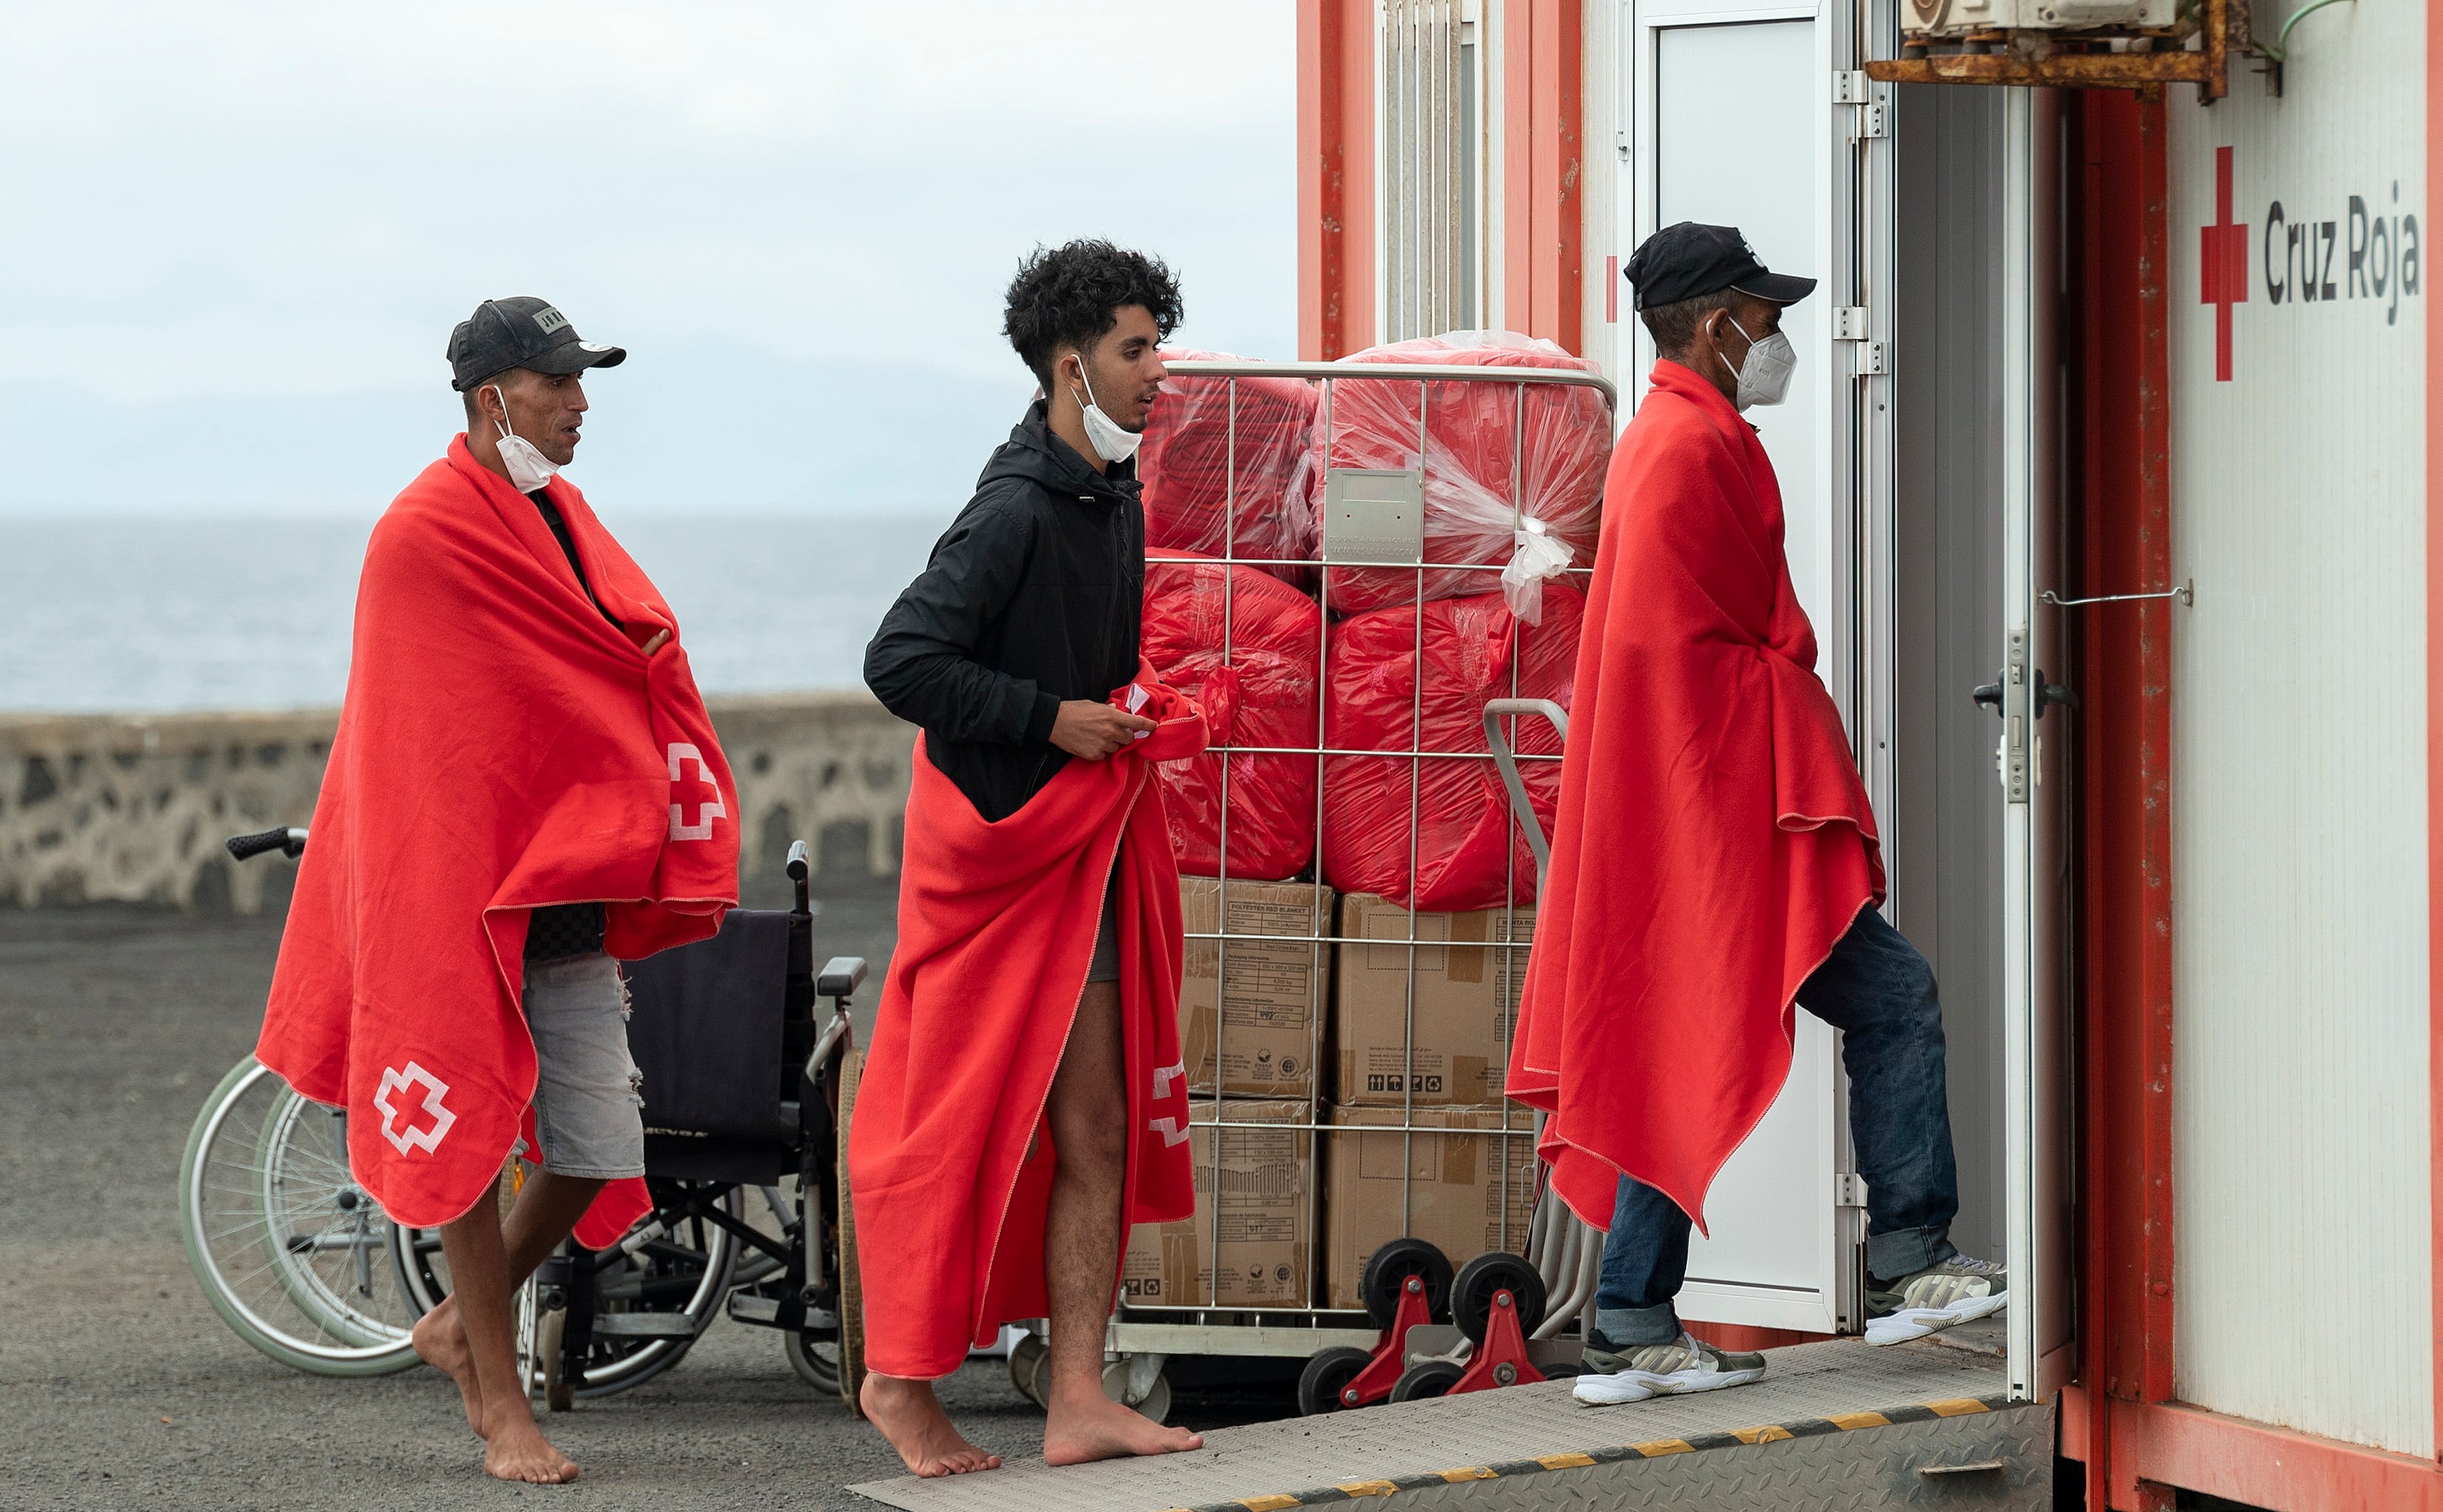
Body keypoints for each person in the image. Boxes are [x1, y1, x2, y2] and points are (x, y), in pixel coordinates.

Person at [1506, 223, 2006, 1407]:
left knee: (1661, 1048)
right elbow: (1687, 653)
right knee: (1896, 998)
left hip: (1694, 806)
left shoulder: (1672, 439)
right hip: (1722, 815)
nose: (1779, 333)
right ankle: (1908, 1263)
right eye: (1766, 313)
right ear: (1718, 318)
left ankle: (1630, 1316)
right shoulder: (1692, 447)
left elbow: (1668, 651)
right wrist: (1788, 692)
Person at [255, 297, 739, 1482]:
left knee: (597, 1143)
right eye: (560, 383)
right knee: (471, 1132)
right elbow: (427, 732)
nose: (581, 403)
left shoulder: (565, 516)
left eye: (583, 381)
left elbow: (613, 654)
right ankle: (502, 1407)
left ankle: (459, 1324)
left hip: (561, 884)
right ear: (492, 400)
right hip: (460, 891)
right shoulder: (421, 533)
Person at [850, 239, 1209, 1476]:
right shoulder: (1012, 506)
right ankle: (896, 1387)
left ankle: (1077, 1397)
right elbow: (900, 663)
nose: (1160, 371)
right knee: (949, 1129)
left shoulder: (1114, 492)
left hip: (1084, 860)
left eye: (1156, 342)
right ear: (1072, 367)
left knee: (1094, 1135)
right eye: (1136, 349)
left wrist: (1131, 699)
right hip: (1003, 868)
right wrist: (1053, 719)